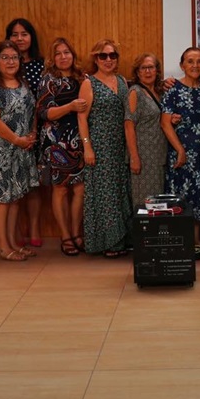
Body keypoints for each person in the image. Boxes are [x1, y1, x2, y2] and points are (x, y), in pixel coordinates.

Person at [0, 40, 40, 261]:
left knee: (16, 197)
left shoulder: (22, 83)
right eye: (5, 57)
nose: (10, 61)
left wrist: (31, 134)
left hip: (22, 149)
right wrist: (16, 139)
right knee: (2, 198)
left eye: (14, 57)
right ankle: (3, 246)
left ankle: (14, 243)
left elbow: (31, 112)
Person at [161, 47, 200, 258]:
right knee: (182, 195)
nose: (195, 65)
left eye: (199, 61)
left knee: (199, 196)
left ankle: (197, 241)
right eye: (190, 61)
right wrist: (180, 150)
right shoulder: (173, 90)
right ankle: (184, 242)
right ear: (182, 65)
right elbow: (165, 123)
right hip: (181, 151)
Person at [78, 39, 132, 257]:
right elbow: (82, 118)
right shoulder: (89, 83)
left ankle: (121, 239)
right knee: (104, 194)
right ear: (96, 59)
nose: (108, 60)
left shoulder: (122, 81)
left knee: (119, 191)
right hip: (100, 146)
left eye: (112, 55)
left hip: (120, 146)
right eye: (103, 55)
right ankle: (107, 242)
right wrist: (87, 147)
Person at [36, 37, 88, 257]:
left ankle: (77, 233)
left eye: (67, 52)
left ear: (73, 55)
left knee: (80, 189)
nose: (63, 57)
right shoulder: (48, 80)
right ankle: (65, 236)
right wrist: (70, 106)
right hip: (55, 142)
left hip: (80, 140)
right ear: (52, 58)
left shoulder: (82, 77)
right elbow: (44, 112)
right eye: (58, 53)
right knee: (60, 189)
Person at [6, 18, 45, 248]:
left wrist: (33, 131)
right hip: (10, 134)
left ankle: (35, 228)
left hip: (38, 131)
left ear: (31, 37)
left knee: (33, 184)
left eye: (24, 34)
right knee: (14, 185)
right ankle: (17, 230)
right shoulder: (5, 65)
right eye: (14, 34)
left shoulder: (42, 65)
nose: (19, 38)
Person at [125, 53, 168, 209]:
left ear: (157, 70)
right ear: (138, 72)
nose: (148, 71)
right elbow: (128, 126)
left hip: (158, 155)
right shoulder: (135, 92)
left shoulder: (159, 91)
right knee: (144, 203)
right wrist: (134, 157)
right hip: (143, 156)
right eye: (143, 68)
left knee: (158, 202)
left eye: (151, 67)